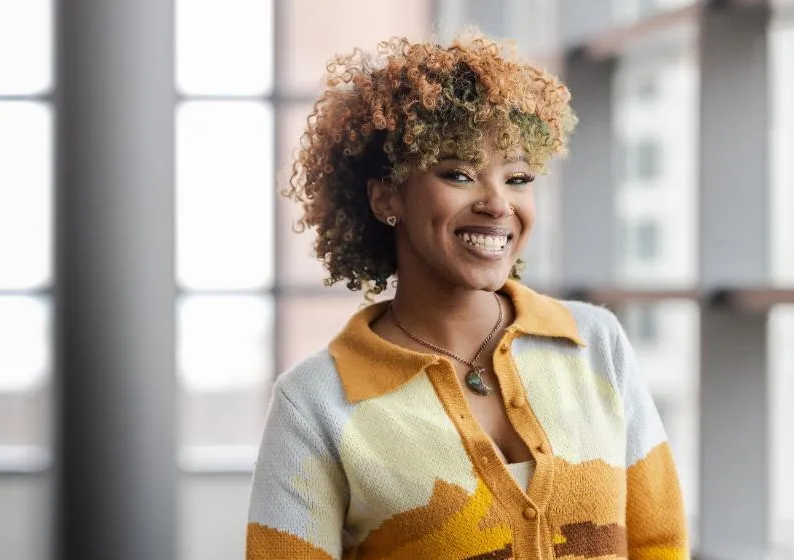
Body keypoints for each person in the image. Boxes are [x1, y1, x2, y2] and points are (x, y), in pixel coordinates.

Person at [246, 30, 689, 560]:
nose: (498, 204)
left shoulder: (594, 343)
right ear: (387, 195)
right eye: (458, 173)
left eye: (519, 177)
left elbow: (660, 543)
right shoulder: (317, 402)